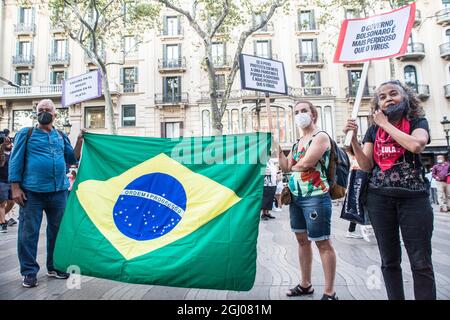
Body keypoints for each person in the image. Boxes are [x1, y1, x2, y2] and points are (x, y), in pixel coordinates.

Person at [344, 80, 436, 300]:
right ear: (378, 104)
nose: (388, 99)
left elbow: (416, 145)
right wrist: (355, 141)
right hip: (380, 200)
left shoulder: (416, 121)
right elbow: (366, 165)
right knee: (389, 261)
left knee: (420, 262)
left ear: (405, 97)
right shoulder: (373, 130)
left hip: (414, 201)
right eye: (382, 97)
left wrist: (385, 124)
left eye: (393, 94)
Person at [9, 99, 85, 288]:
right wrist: (15, 188)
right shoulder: (26, 133)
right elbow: (15, 160)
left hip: (58, 191)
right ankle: (29, 272)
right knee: (28, 233)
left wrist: (80, 141)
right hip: (32, 192)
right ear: (36, 114)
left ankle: (55, 267)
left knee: (58, 232)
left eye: (47, 110)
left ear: (55, 114)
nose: (44, 112)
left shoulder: (60, 135)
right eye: (40, 110)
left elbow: (72, 158)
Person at [279, 100, 338, 300]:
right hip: (296, 197)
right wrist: (278, 149)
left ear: (313, 114)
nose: (300, 114)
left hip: (316, 197)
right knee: (302, 240)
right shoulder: (297, 142)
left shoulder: (320, 137)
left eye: (304, 110)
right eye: (297, 112)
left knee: (322, 242)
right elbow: (286, 166)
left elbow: (306, 164)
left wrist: (294, 166)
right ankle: (305, 284)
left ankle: (330, 293)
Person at [344, 145, 372, 242]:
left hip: (355, 188)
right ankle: (365, 227)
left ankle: (351, 230)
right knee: (361, 207)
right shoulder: (359, 160)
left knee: (357, 207)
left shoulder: (355, 160)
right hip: (361, 187)